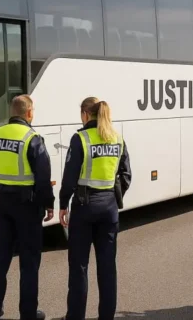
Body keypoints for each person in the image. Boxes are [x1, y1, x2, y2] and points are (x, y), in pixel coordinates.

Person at [0, 94, 55, 320]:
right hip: (28, 207)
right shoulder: (32, 138)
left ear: (12, 112)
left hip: (2, 205)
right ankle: (28, 313)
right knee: (29, 263)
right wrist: (48, 204)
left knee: (0, 259)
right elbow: (43, 177)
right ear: (29, 112)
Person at [58, 97, 132, 320]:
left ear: (84, 114)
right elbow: (126, 175)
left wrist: (63, 204)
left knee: (79, 267)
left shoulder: (81, 138)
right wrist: (113, 195)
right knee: (107, 267)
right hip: (109, 208)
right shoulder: (117, 139)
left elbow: (70, 177)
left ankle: (75, 316)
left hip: (84, 207)